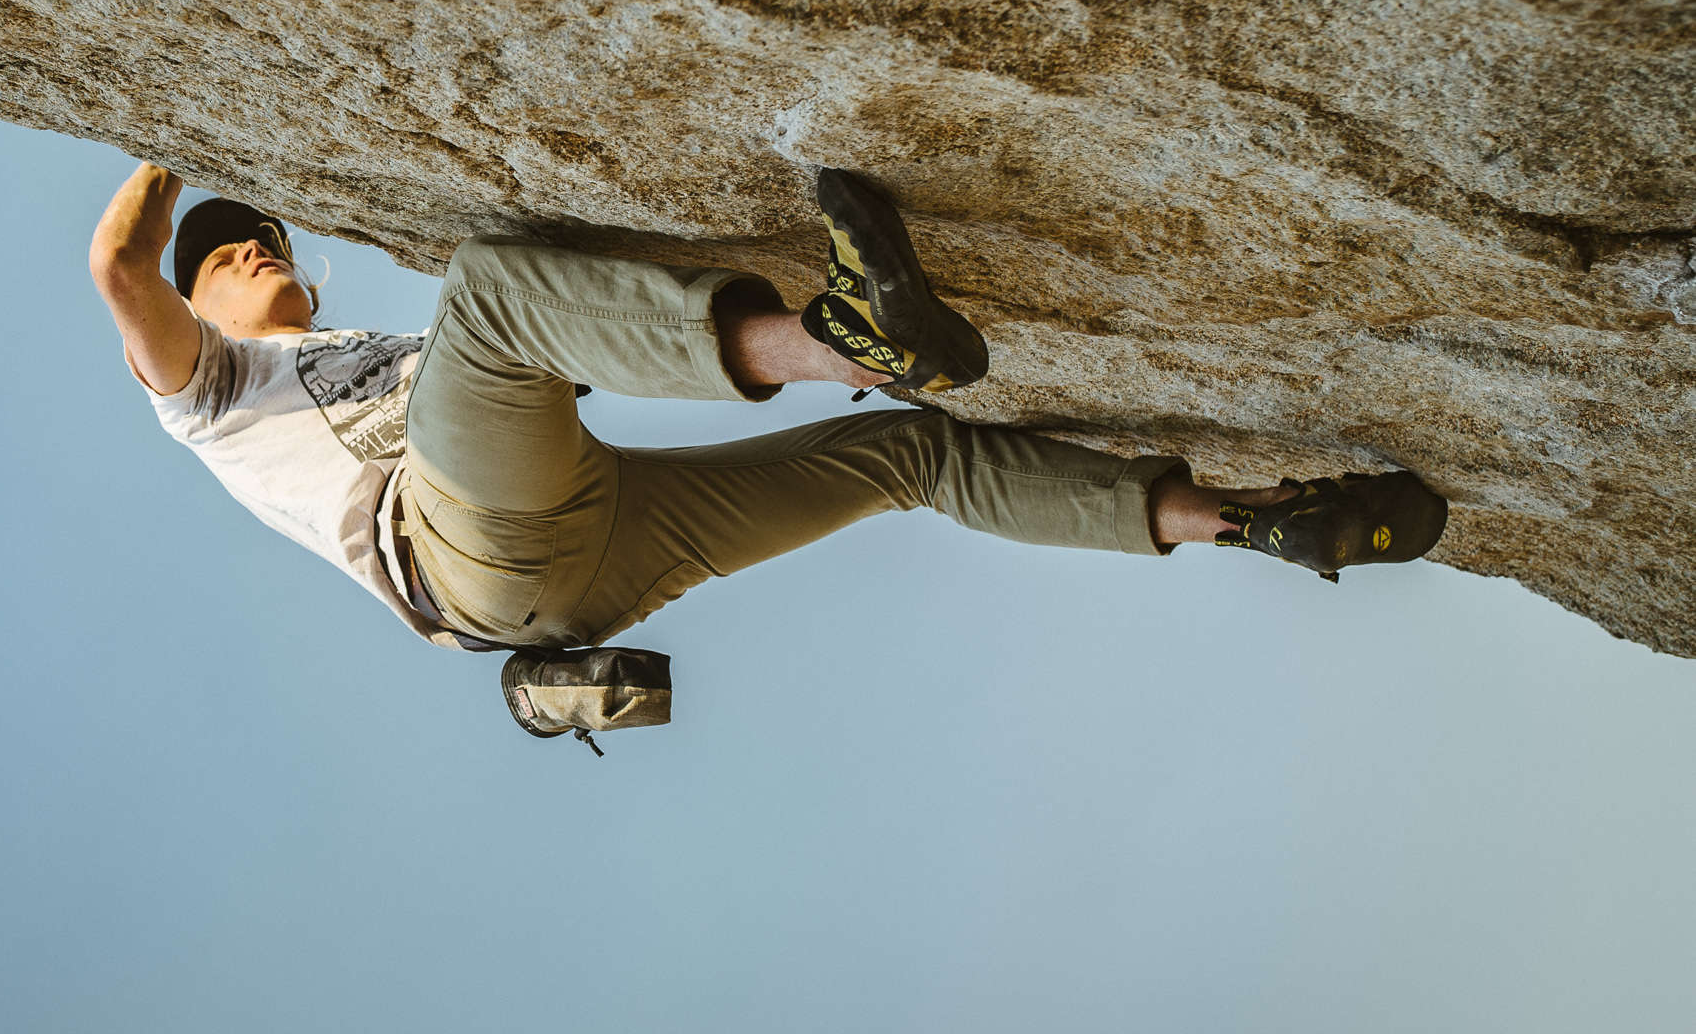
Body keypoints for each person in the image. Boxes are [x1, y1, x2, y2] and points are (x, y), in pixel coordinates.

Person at [88, 160, 1449, 661]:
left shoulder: (358, 342)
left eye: (261, 237)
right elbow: (116, 263)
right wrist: (182, 137)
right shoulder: (209, 396)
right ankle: (841, 335)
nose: (252, 252)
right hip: (457, 556)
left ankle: (1254, 522)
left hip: (582, 570)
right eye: (222, 257)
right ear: (196, 305)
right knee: (492, 296)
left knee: (913, 453)